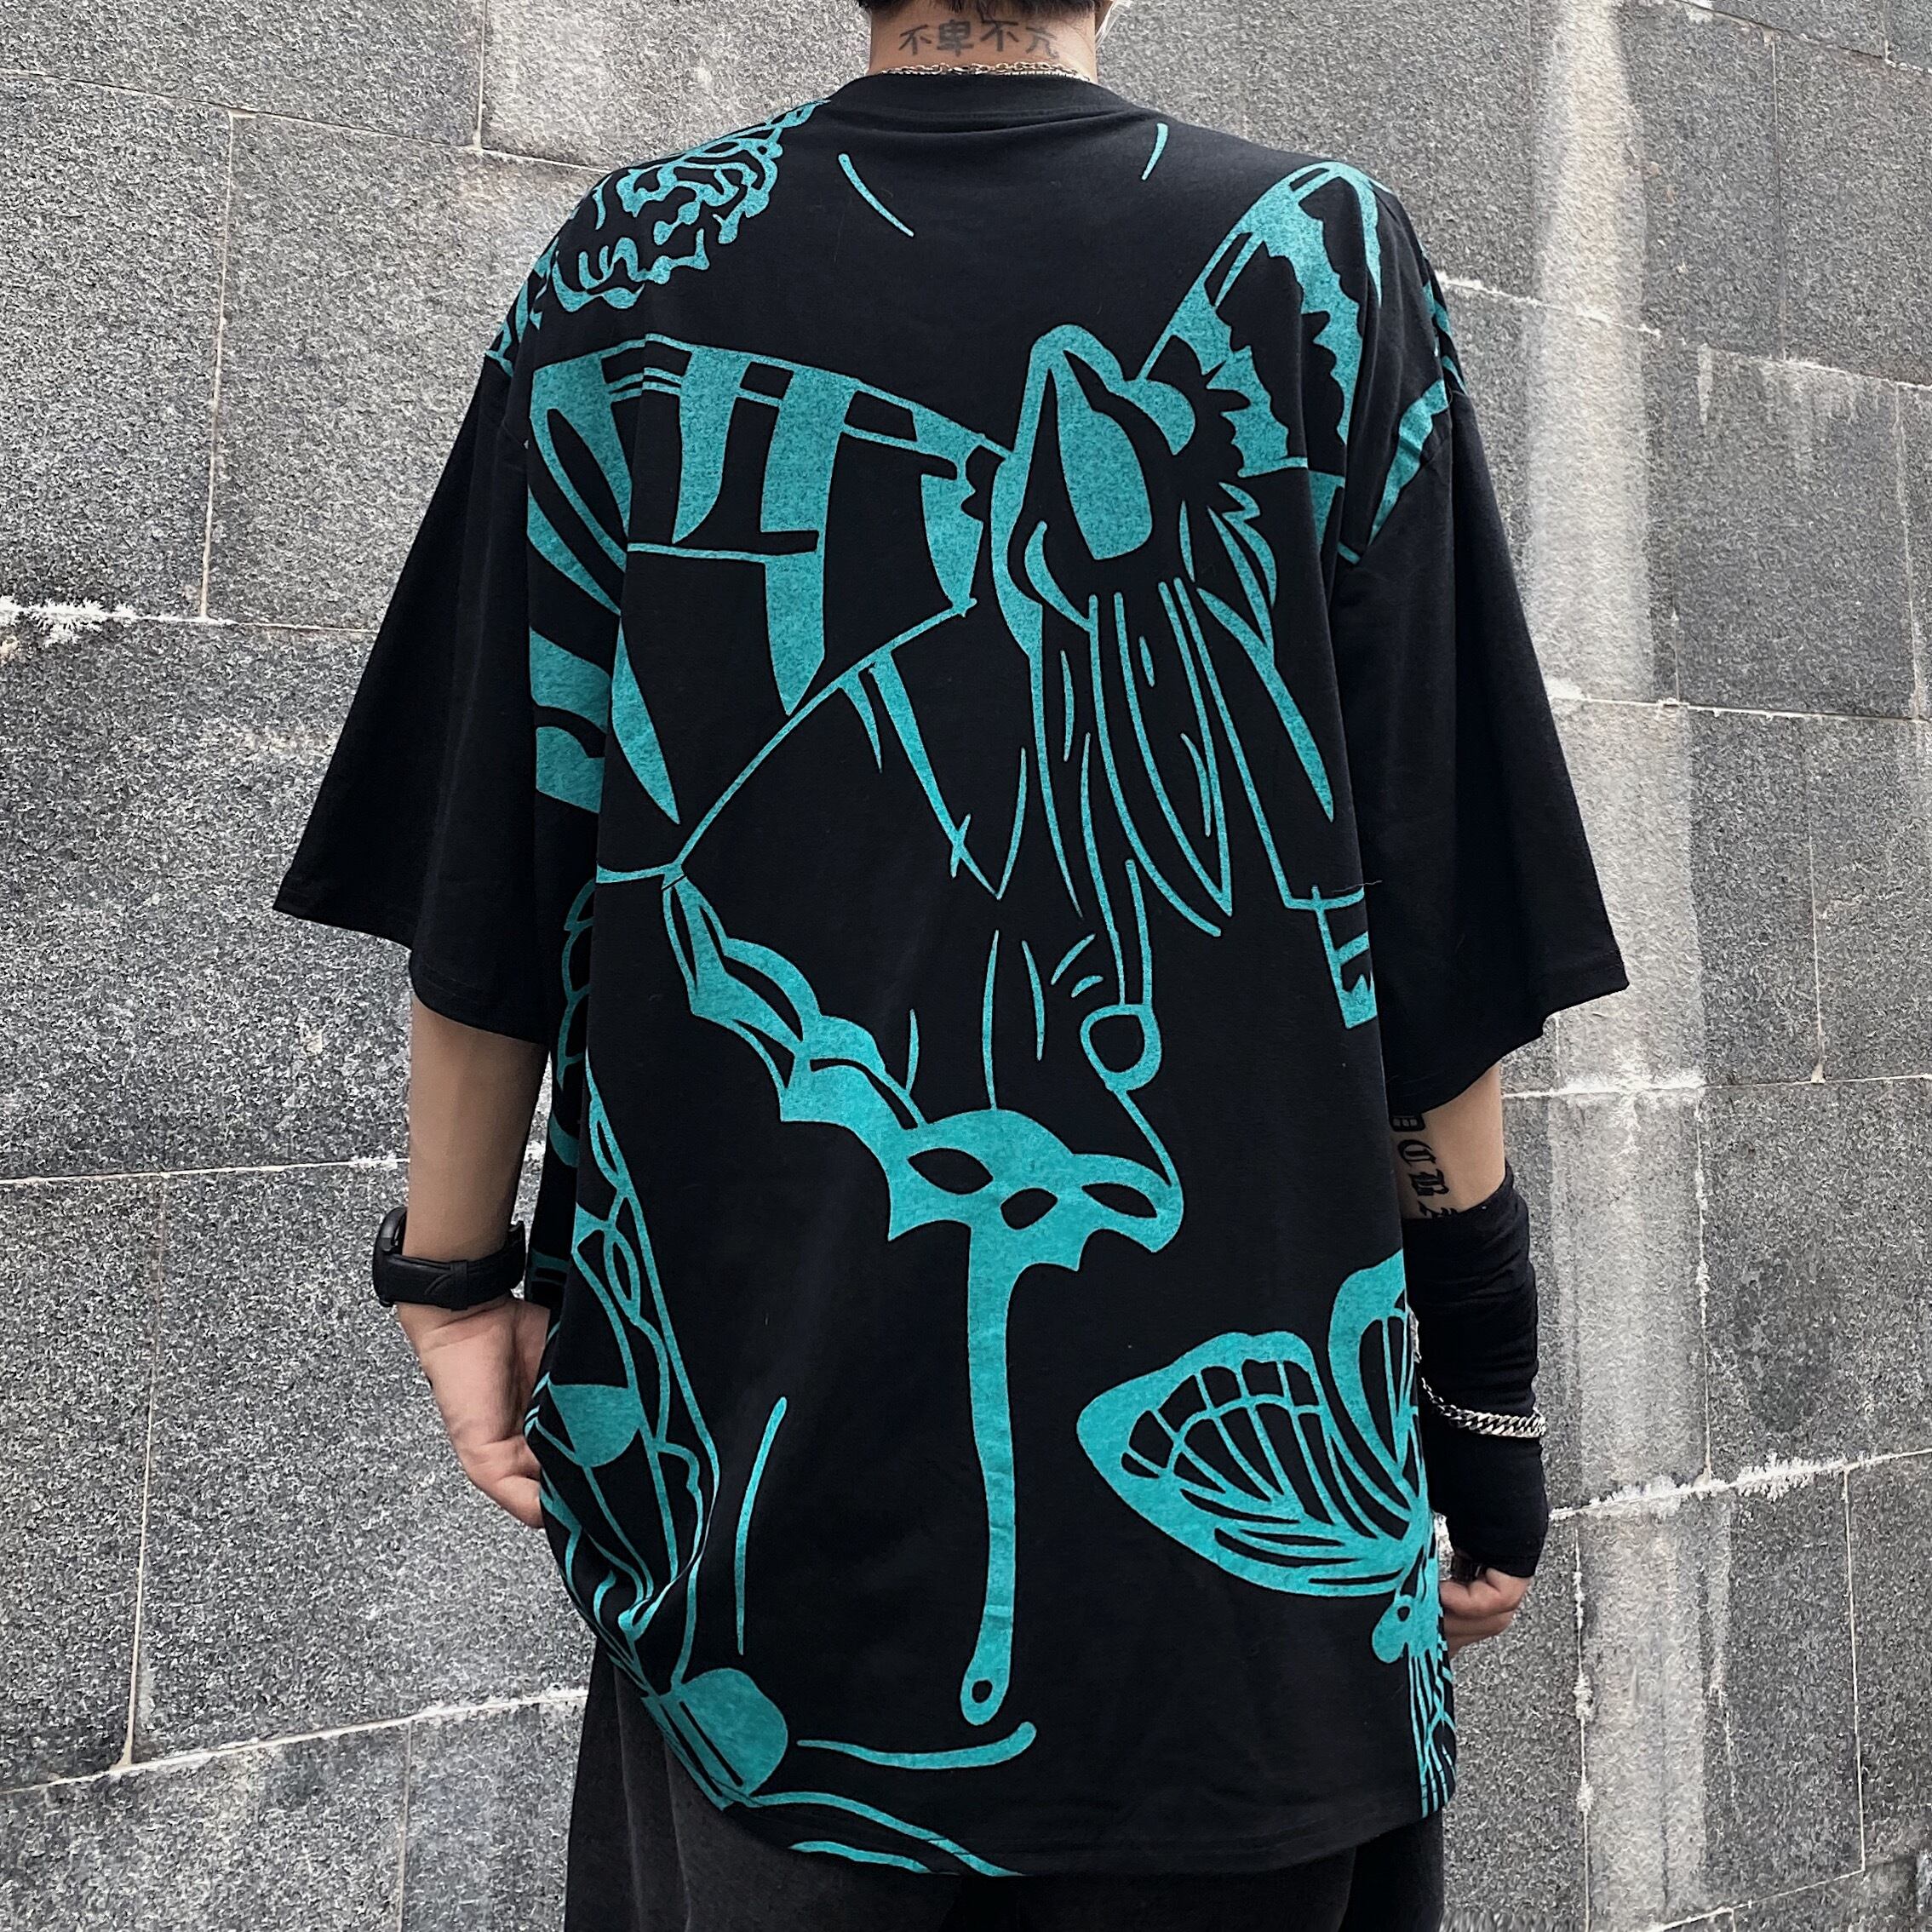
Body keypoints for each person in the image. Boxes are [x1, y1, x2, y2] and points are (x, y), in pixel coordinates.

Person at [276, 0, 1627, 1923]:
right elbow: (1430, 917)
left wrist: (452, 1270)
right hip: (1246, 1643)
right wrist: (1481, 1387)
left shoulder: (631, 269)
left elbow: (492, 854)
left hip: (764, 1549)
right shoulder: (1318, 259)